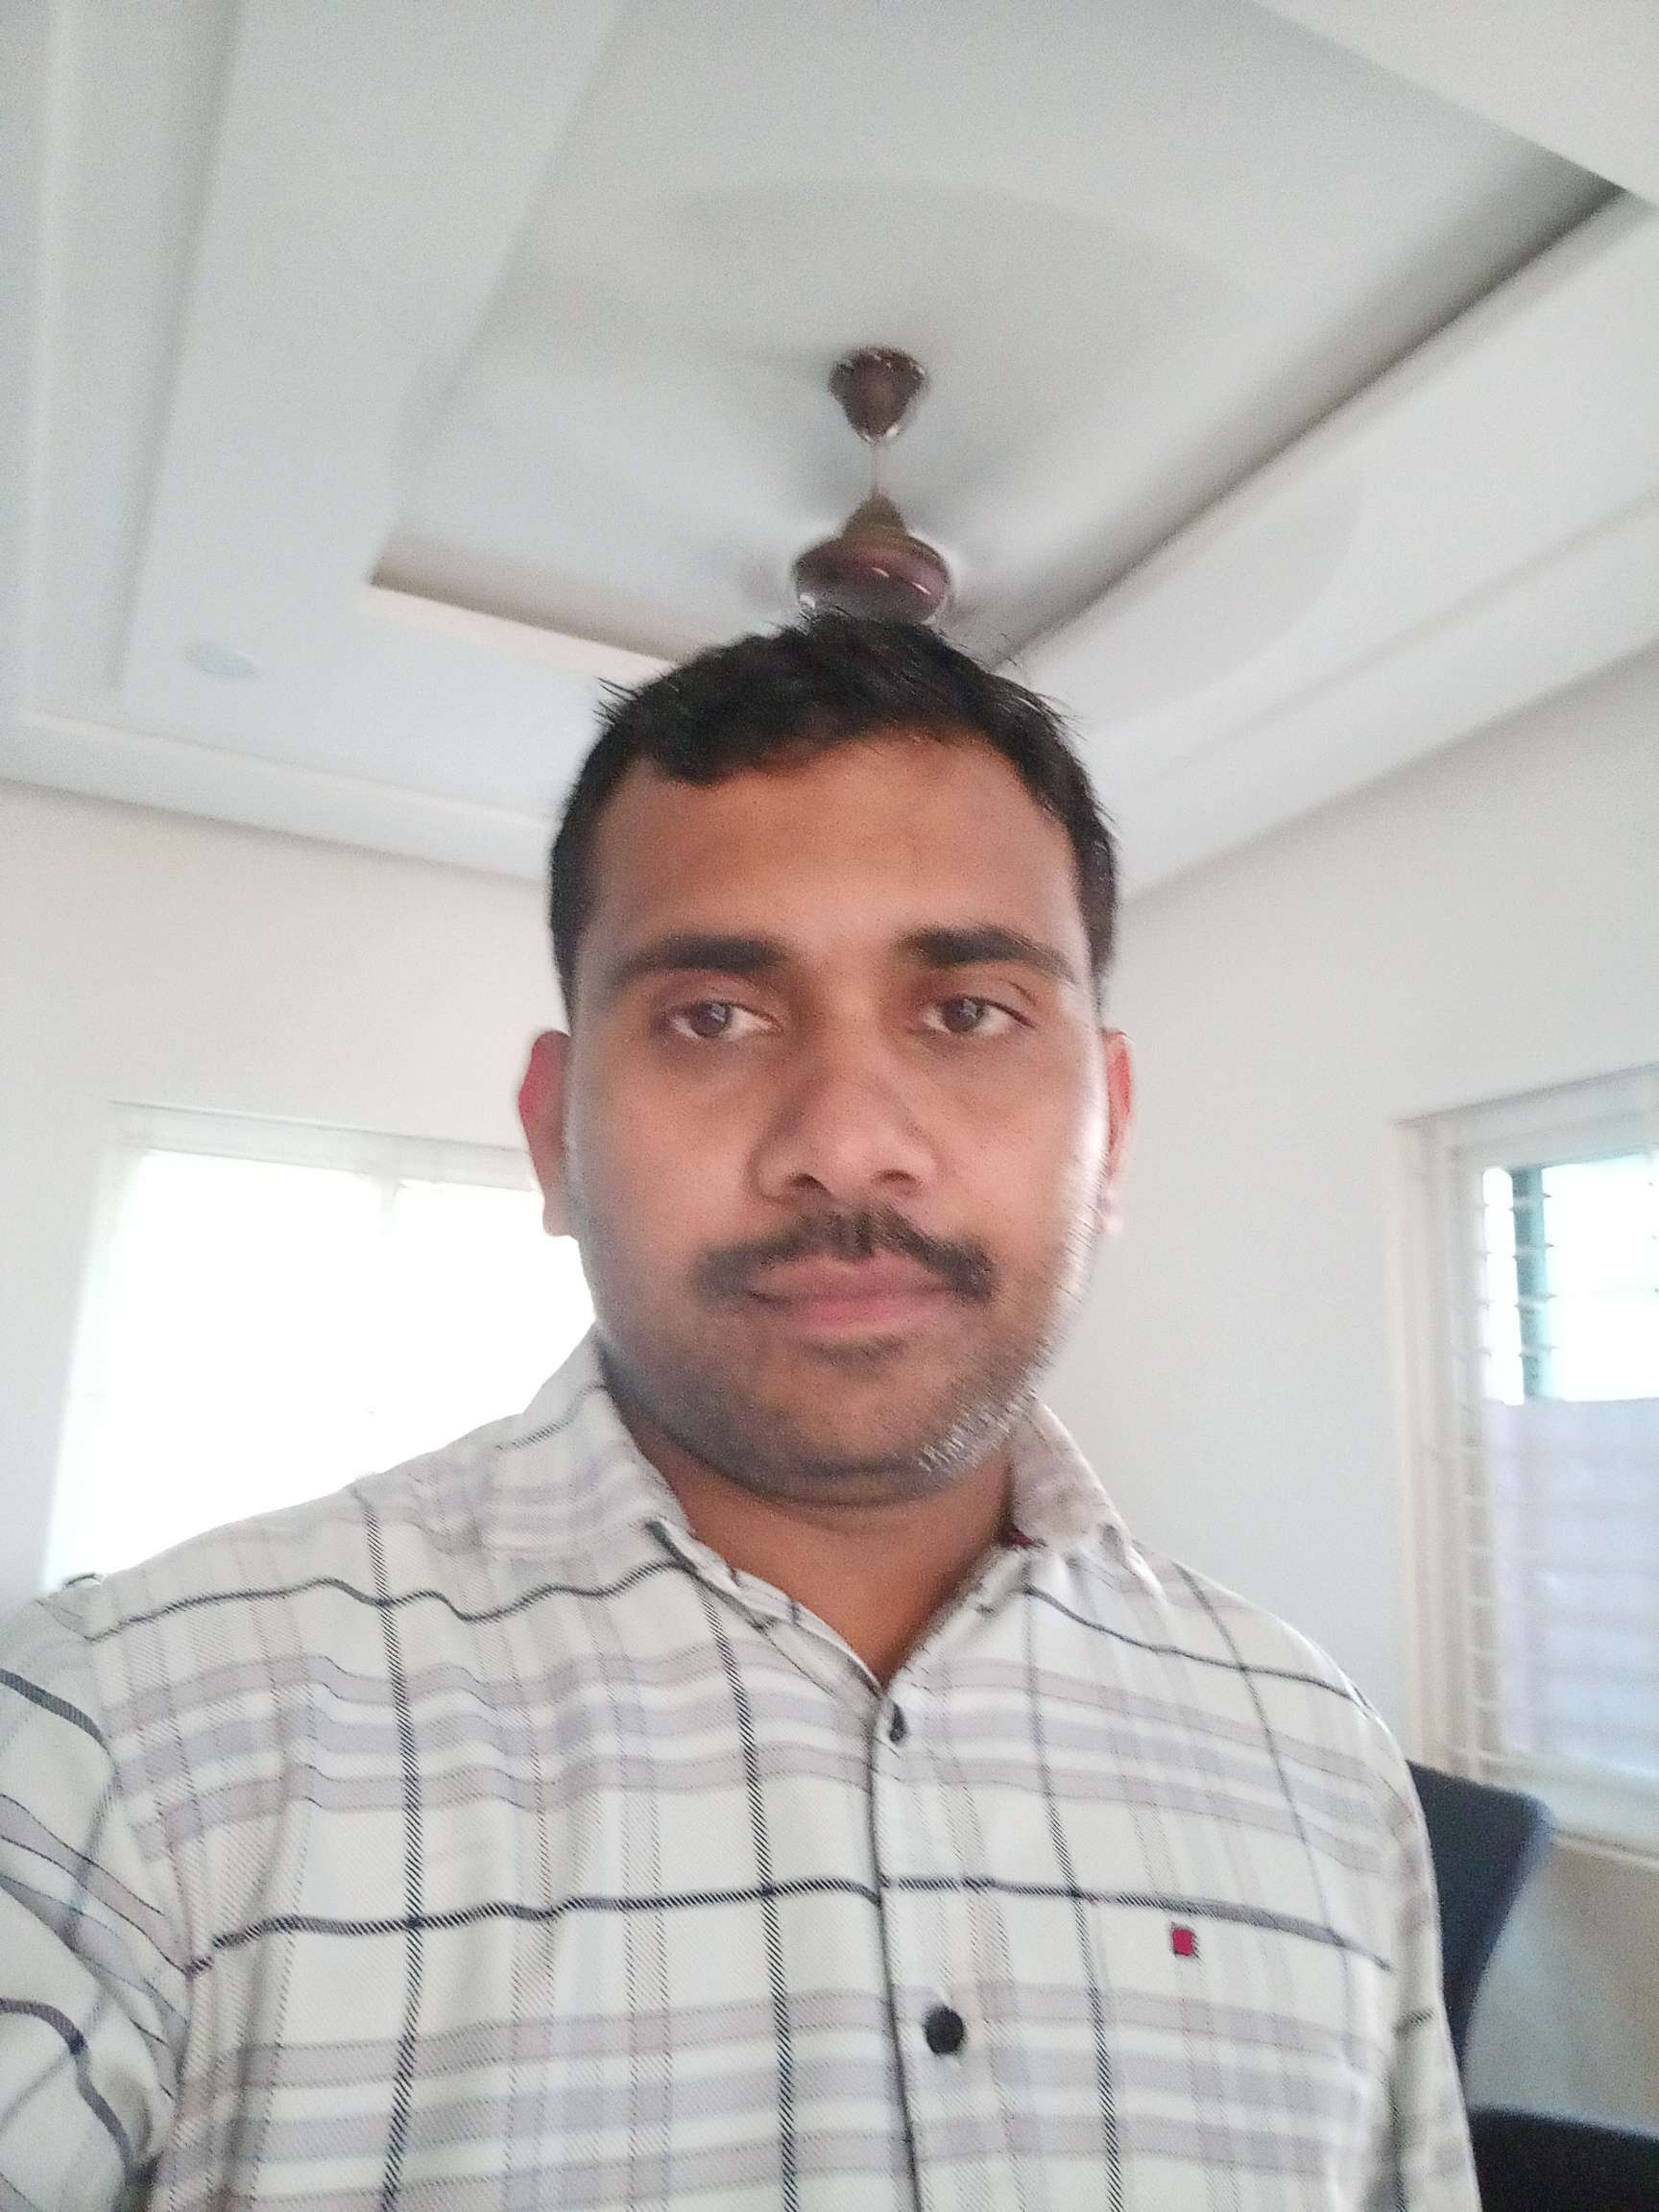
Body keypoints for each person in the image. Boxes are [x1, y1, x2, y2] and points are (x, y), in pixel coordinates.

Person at [0, 617, 1476, 2209]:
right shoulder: (121, 1753)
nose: (845, 1143)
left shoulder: (1318, 1760)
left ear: (1108, 1132)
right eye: (713, 1015)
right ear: (556, 1140)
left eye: (968, 1011)